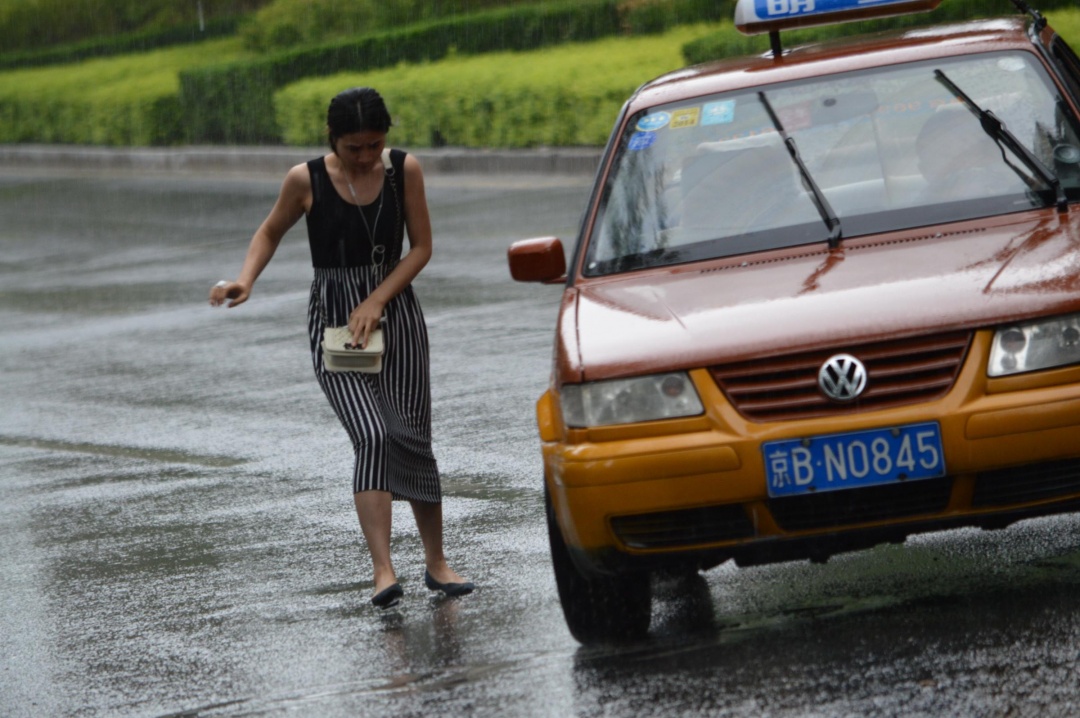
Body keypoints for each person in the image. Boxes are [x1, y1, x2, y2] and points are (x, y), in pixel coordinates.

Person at [209, 87, 473, 609]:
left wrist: (377, 297)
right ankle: (382, 571)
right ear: (334, 140)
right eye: (355, 147)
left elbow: (421, 247)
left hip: (396, 314)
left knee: (411, 435)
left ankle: (437, 563)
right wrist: (246, 280)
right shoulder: (304, 180)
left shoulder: (405, 171)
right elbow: (269, 230)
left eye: (375, 144)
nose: (367, 156)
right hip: (335, 322)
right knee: (373, 434)